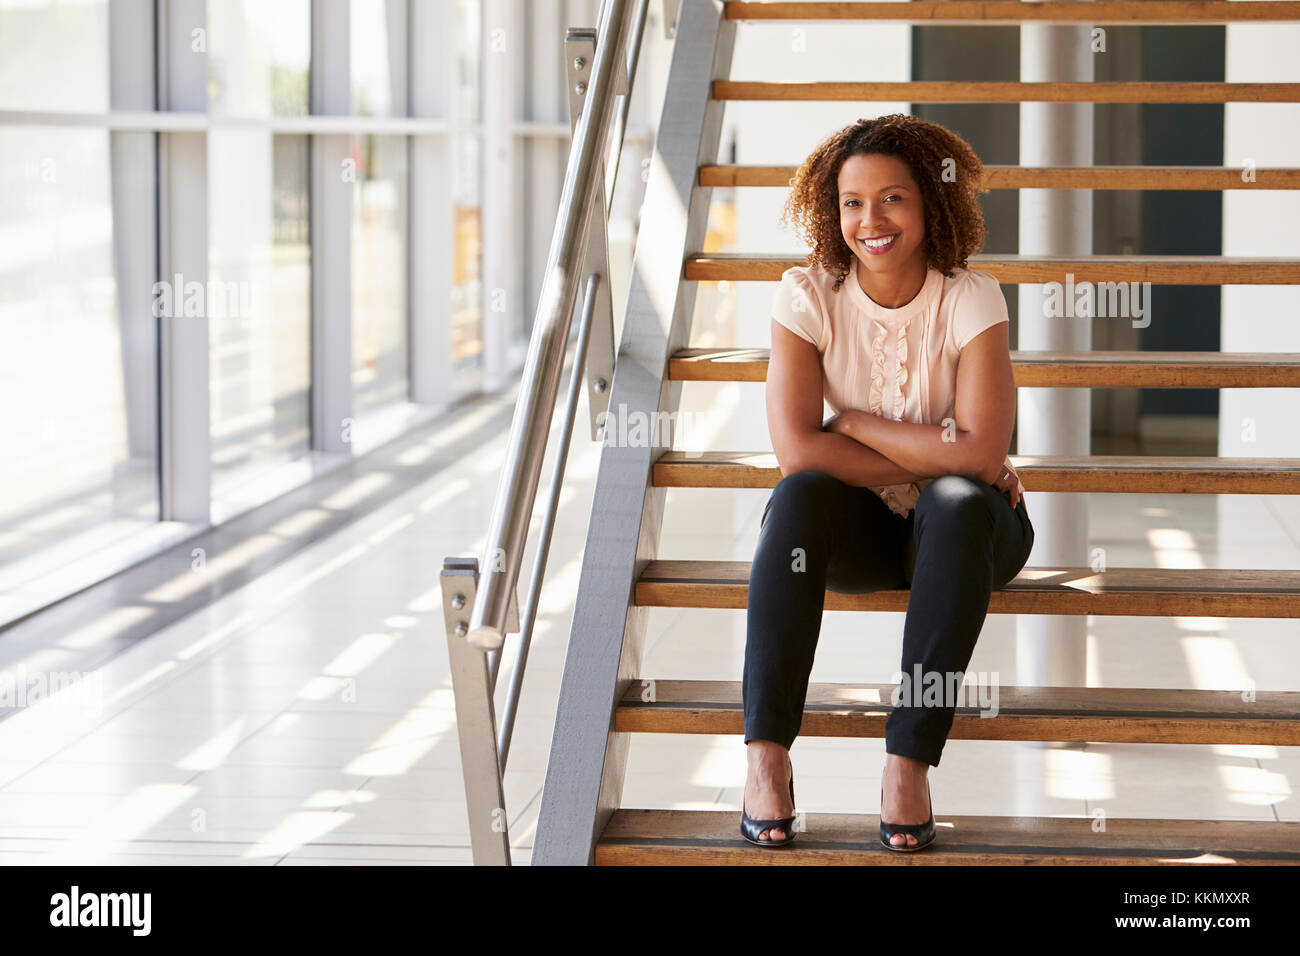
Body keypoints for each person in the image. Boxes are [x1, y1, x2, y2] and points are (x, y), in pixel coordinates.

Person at [740, 114, 1036, 852]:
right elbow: (797, 453)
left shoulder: (972, 297)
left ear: (929, 205)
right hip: (864, 535)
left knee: (959, 500)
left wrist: (856, 422)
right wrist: (950, 453)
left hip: (972, 533)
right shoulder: (805, 296)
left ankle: (907, 763)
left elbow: (979, 458)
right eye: (851, 202)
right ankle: (764, 760)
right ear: (831, 210)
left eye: (892, 198)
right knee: (800, 496)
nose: (870, 220)